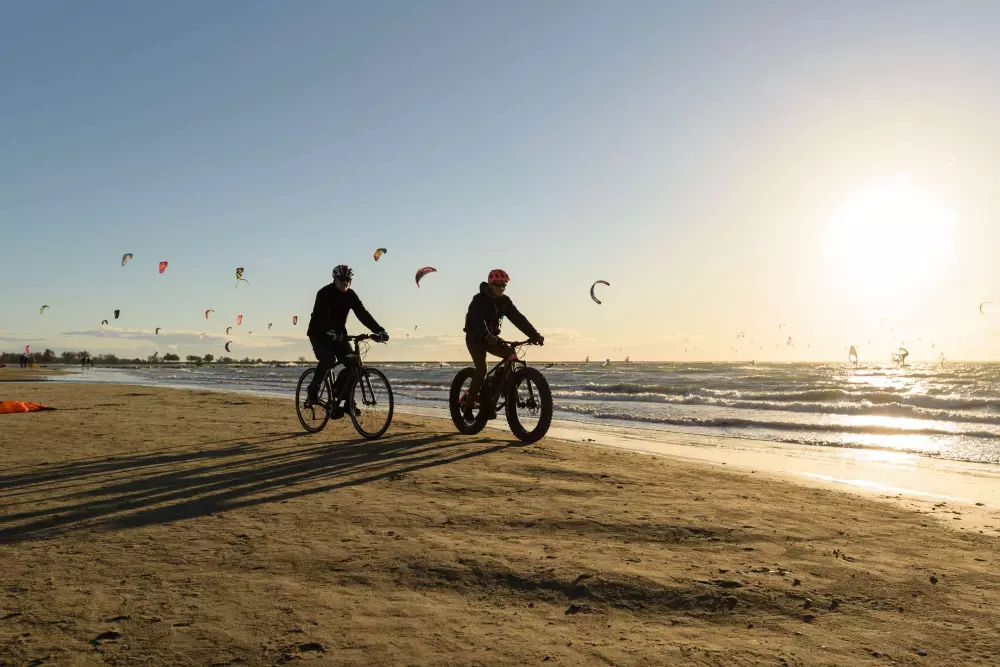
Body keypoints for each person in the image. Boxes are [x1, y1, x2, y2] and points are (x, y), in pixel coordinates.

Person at [305, 264, 389, 416]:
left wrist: (379, 330)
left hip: (339, 335)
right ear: (335, 279)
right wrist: (330, 330)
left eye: (348, 280)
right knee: (328, 359)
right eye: (342, 279)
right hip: (319, 334)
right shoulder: (324, 293)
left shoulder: (351, 295)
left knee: (354, 364)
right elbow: (322, 314)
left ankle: (344, 397)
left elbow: (362, 313)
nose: (345, 283)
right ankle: (313, 388)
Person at [461, 269, 544, 418]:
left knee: (510, 354)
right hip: (475, 338)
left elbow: (518, 318)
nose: (502, 289)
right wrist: (485, 334)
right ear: (491, 285)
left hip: (492, 337)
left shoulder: (505, 301)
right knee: (481, 370)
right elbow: (476, 319)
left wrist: (534, 335)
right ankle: (468, 406)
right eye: (499, 285)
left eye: (504, 285)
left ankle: (499, 390)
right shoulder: (479, 300)